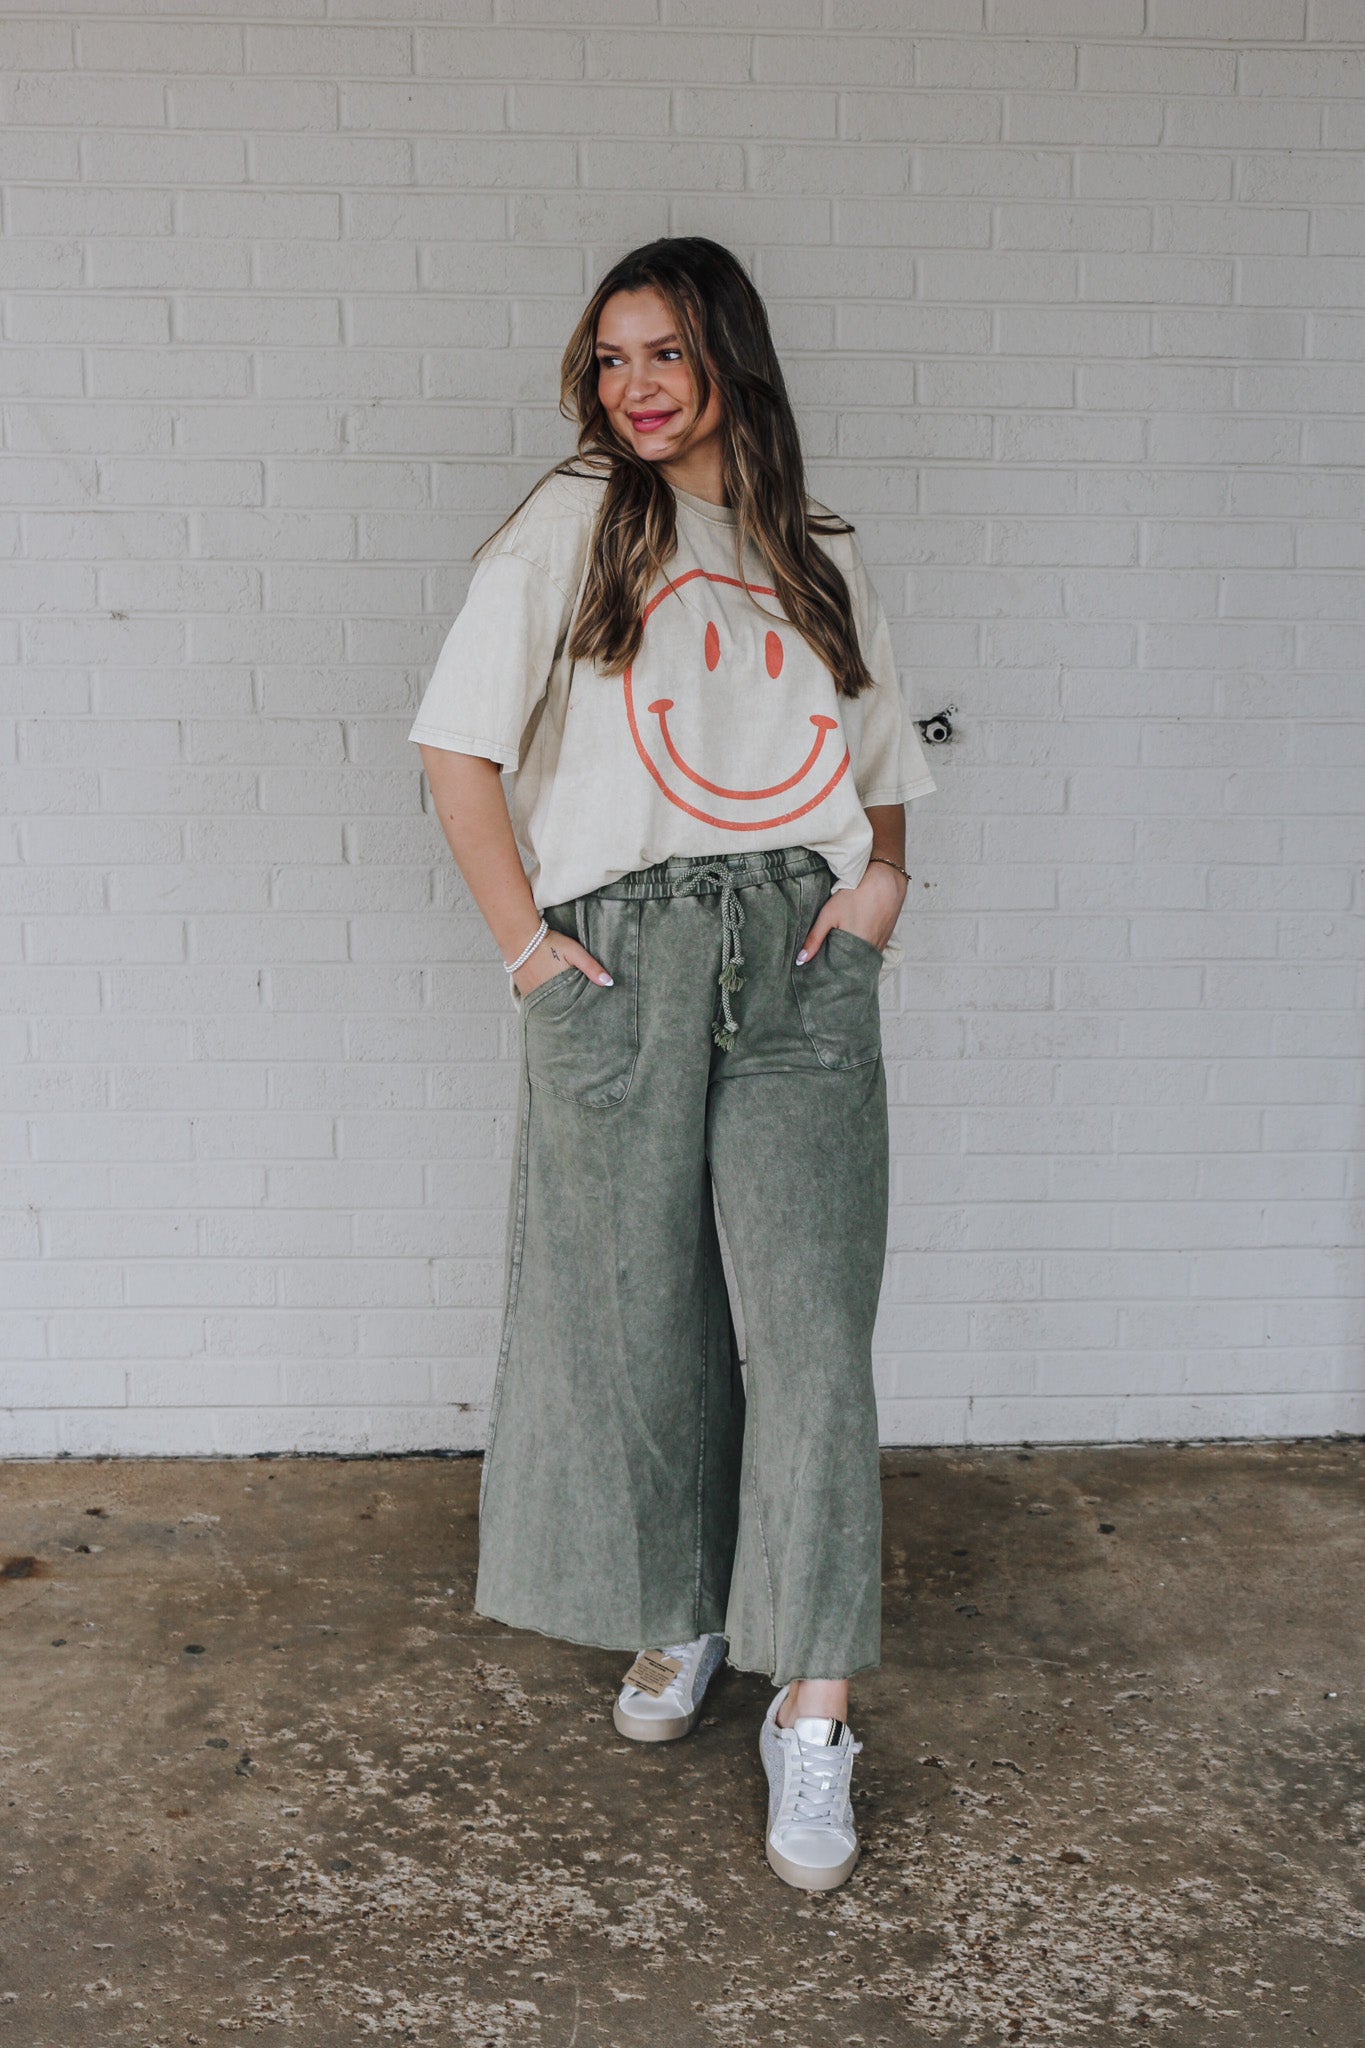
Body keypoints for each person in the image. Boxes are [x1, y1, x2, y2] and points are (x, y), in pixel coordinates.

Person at [408, 236, 936, 1891]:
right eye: (610, 357)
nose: (633, 386)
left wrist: (880, 888)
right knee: (643, 1319)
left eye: (663, 353)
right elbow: (455, 752)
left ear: (730, 358)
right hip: (619, 951)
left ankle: (814, 1706)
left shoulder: (813, 546)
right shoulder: (570, 525)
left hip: (795, 953)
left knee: (812, 1331)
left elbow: (878, 753)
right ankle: (684, 1610)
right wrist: (527, 949)